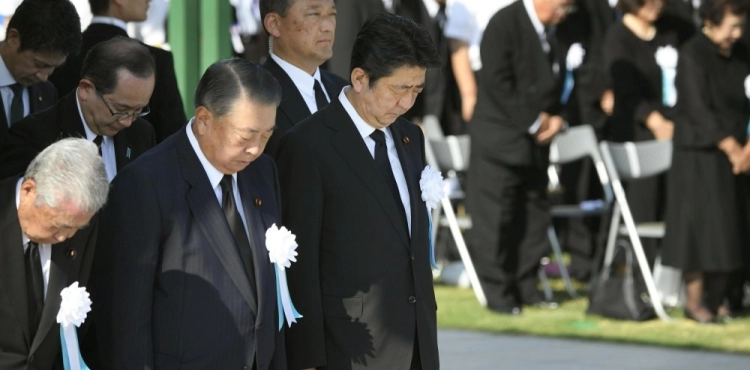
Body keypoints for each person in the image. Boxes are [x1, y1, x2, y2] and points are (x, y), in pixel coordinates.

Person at [93, 58, 285, 369]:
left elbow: (270, 291)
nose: (256, 149)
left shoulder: (263, 172)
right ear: (204, 119)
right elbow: (125, 316)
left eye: (266, 136)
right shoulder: (146, 183)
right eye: (245, 136)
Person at [276, 13, 441, 370]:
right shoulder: (307, 145)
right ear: (360, 78)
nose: (406, 103)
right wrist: (306, 360)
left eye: (416, 90)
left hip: (417, 344)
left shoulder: (410, 138)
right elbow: (299, 266)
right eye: (399, 89)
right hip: (349, 348)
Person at [466, 0, 574, 314]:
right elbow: (497, 82)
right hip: (500, 142)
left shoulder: (554, 32)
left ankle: (527, 286)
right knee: (496, 221)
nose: (565, 14)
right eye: (563, 6)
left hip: (536, 146)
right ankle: (498, 293)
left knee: (533, 218)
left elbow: (562, 82)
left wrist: (557, 118)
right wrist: (534, 120)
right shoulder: (504, 24)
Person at [662, 0, 750, 323]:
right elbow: (697, 108)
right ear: (711, 22)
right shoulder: (692, 55)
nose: (737, 33)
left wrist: (747, 148)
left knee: (729, 229)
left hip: (737, 154)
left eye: (740, 26)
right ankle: (696, 301)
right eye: (731, 26)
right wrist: (732, 148)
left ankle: (721, 297)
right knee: (699, 232)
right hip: (699, 153)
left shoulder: (741, 53)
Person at [0, 138, 109, 370]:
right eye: (57, 225)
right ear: (29, 190)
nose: (65, 236)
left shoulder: (81, 226)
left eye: (76, 228)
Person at [603, 0, 693, 261]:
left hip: (677, 127)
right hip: (639, 132)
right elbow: (624, 87)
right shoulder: (617, 36)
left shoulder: (674, 30)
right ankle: (638, 276)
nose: (656, 5)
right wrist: (654, 121)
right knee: (643, 206)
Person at [0, 37, 156, 182]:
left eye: (138, 111)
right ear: (85, 89)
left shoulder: (141, 134)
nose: (128, 121)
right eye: (121, 109)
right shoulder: (32, 137)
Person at [49, 0, 186, 143]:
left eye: (138, 110)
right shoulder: (157, 61)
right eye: (123, 108)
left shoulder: (62, 53)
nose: (149, 0)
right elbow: (174, 137)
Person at [260, 0, 347, 155]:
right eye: (314, 14)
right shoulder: (254, 92)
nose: (328, 27)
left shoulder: (344, 90)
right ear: (274, 24)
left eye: (332, 14)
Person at [0, 0, 81, 134]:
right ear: (13, 38)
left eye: (54, 67)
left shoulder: (47, 92)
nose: (43, 77)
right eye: (39, 64)